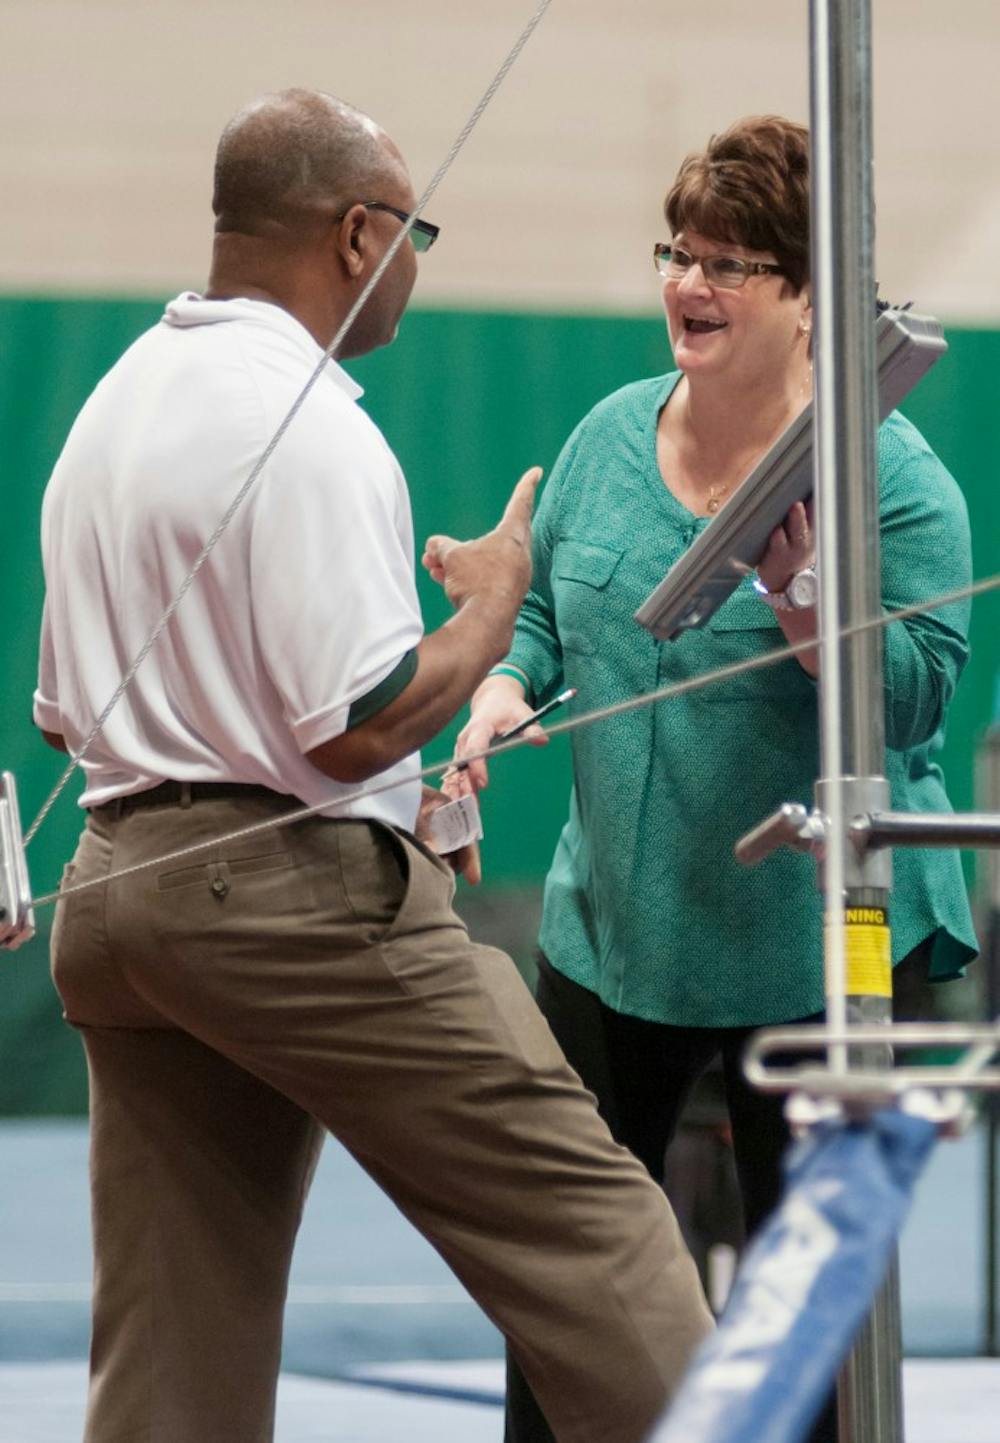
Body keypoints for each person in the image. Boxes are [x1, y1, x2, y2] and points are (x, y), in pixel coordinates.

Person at [33, 89, 713, 1443]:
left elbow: (64, 714)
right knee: (591, 1219)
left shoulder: (117, 403)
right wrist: (490, 612)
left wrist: (391, 786)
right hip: (287, 902)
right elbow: (354, 722)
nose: (415, 259)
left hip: (115, 895)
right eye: (416, 231)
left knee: (176, 1344)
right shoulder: (311, 419)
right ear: (356, 235)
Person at [454, 115, 978, 1443]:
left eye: (732, 261)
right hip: (616, 939)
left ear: (811, 293)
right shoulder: (609, 434)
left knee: (804, 1331)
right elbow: (547, 627)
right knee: (567, 1289)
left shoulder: (893, 478)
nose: (689, 284)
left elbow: (914, 698)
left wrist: (805, 596)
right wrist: (504, 686)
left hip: (813, 956)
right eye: (679, 252)